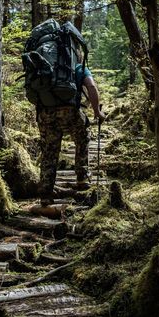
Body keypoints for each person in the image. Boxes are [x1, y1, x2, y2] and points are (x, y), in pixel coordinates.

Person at [37, 53, 106, 206]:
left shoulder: (47, 66)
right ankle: (82, 177)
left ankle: (46, 194)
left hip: (46, 113)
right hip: (70, 112)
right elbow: (92, 87)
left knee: (49, 150)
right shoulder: (79, 68)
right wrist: (97, 112)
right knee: (82, 137)